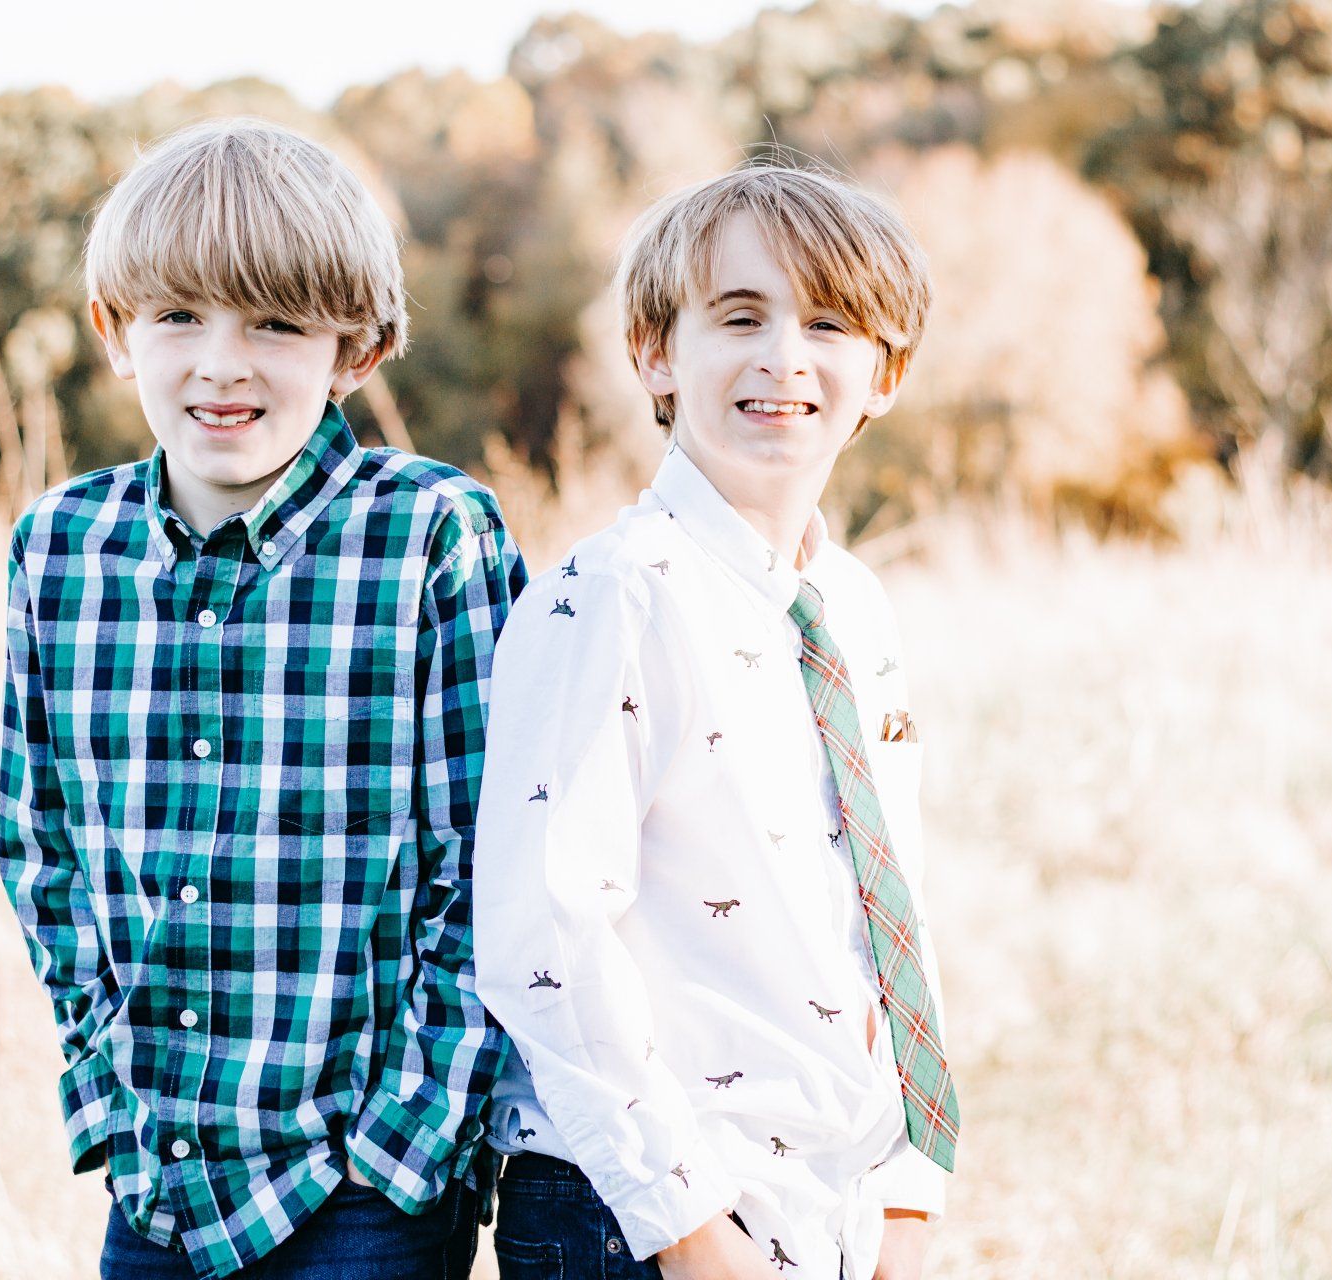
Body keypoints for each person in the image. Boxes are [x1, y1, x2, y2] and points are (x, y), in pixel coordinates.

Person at [0, 116, 522, 1280]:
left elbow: (492, 866)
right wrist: (104, 1092)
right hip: (161, 1180)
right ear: (115, 334)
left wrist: (408, 1143)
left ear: (356, 348)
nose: (223, 362)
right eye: (179, 315)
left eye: (275, 322)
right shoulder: (60, 547)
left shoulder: (431, 537)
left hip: (368, 1192)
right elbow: (41, 849)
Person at [474, 165, 959, 1280]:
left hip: (829, 1197)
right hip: (637, 1209)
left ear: (885, 374)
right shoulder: (612, 594)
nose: (784, 355)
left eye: (828, 323)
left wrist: (907, 1190)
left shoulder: (854, 609)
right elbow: (546, 931)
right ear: (655, 352)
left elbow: (889, 901)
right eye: (740, 317)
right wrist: (687, 1229)